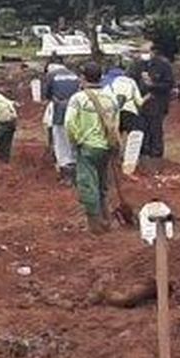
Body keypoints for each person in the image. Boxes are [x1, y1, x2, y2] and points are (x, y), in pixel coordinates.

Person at [65, 61, 121, 234]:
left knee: (88, 185)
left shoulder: (78, 99)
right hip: (106, 147)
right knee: (103, 185)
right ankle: (107, 220)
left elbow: (69, 123)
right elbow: (115, 124)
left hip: (87, 147)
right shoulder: (110, 98)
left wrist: (76, 140)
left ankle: (94, 224)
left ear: (83, 78)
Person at [128, 42, 174, 159]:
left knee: (155, 130)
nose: (143, 55)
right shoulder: (137, 65)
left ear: (153, 52)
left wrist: (153, 85)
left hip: (157, 103)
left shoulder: (163, 65)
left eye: (145, 52)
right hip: (140, 103)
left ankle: (156, 155)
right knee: (141, 129)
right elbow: (130, 80)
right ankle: (143, 153)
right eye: (141, 52)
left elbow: (169, 84)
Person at [43, 57, 80, 180]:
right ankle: (76, 167)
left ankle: (66, 173)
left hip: (59, 113)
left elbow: (47, 95)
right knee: (73, 141)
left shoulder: (51, 76)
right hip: (77, 113)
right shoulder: (75, 75)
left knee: (60, 142)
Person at [103, 65, 145, 135]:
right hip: (130, 113)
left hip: (114, 115)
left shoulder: (108, 82)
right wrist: (147, 97)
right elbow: (139, 102)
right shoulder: (131, 82)